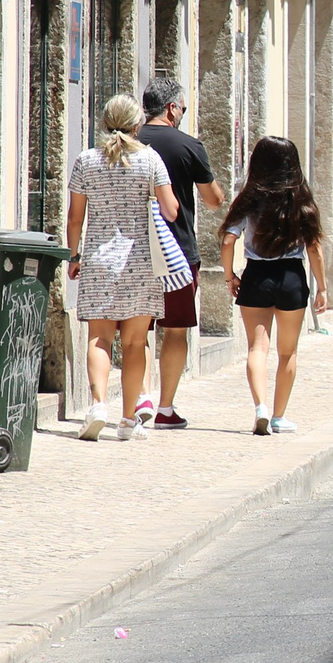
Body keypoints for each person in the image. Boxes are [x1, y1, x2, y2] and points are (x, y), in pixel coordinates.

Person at [66, 93, 182, 441]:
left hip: (100, 262)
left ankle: (98, 404)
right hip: (141, 263)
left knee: (100, 338)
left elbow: (75, 217)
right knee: (135, 344)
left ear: (104, 122)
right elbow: (171, 210)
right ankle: (129, 418)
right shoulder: (150, 160)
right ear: (137, 125)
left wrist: (74, 256)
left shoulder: (86, 161)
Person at [219, 135, 331, 436]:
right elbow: (314, 249)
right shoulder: (301, 200)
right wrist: (322, 287)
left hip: (257, 276)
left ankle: (261, 409)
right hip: (292, 277)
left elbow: (228, 239)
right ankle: (279, 416)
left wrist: (230, 276)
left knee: (258, 348)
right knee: (288, 352)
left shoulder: (249, 199)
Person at [133, 76, 223, 430]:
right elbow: (213, 200)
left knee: (136, 331)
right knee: (174, 330)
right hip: (177, 252)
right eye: (183, 108)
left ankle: (139, 398)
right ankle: (165, 408)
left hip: (135, 251)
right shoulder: (189, 145)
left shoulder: (129, 141)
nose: (183, 113)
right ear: (172, 108)